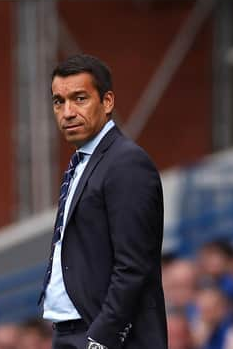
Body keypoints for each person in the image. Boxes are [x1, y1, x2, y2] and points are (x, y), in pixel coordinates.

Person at [39, 54, 167, 349]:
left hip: (105, 337)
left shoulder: (126, 163)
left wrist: (101, 339)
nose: (67, 112)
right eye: (59, 101)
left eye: (79, 98)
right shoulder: (82, 162)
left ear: (107, 102)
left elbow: (134, 266)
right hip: (71, 331)